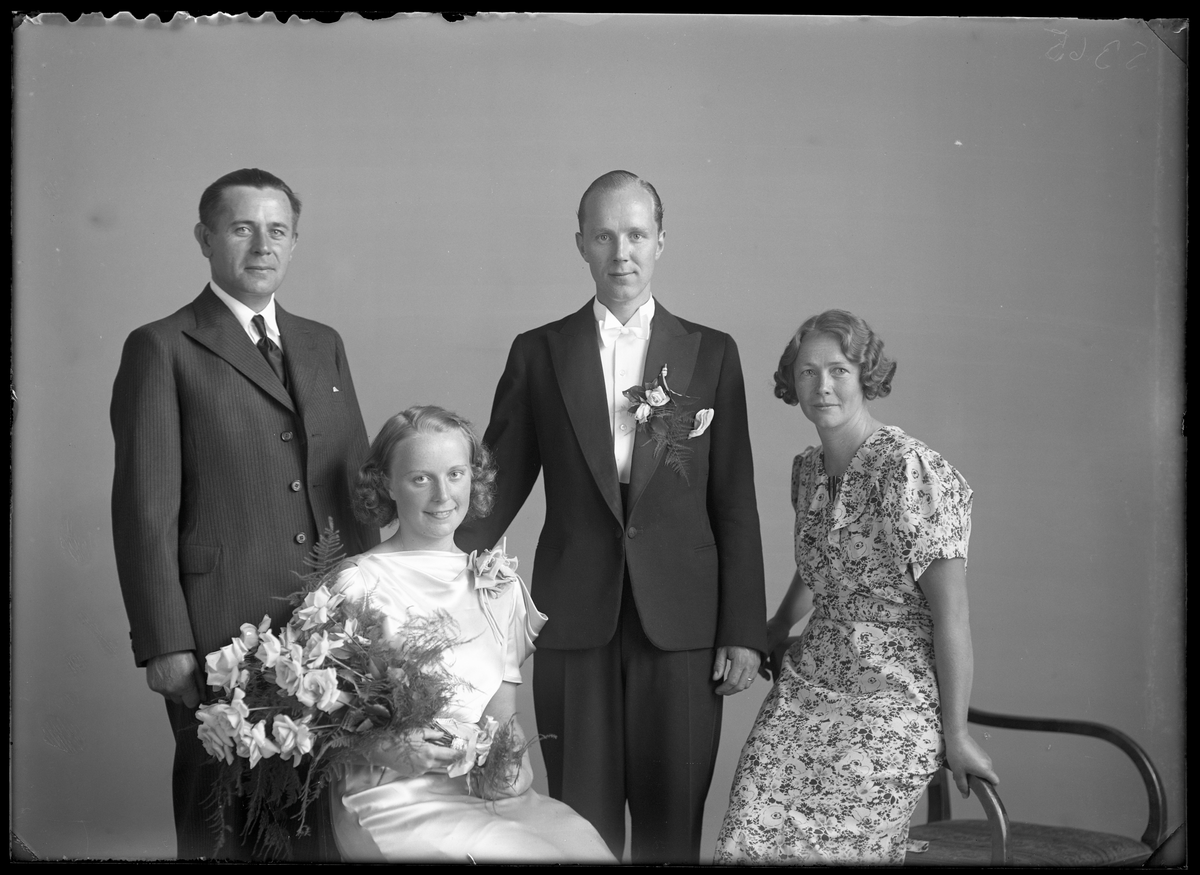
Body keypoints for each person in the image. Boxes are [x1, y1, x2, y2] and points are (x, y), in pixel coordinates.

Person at [455, 170, 767, 863]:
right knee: (579, 826)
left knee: (671, 828)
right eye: (603, 236)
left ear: (661, 242)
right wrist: (422, 566)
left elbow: (734, 499)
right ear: (581, 245)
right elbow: (495, 486)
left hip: (683, 626)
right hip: (574, 619)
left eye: (635, 235)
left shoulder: (712, 352)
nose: (621, 253)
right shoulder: (539, 351)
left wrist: (743, 630)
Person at [110, 168, 378, 859]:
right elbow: (144, 508)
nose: (263, 245)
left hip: (327, 634)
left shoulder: (322, 343)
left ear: (294, 242)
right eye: (242, 228)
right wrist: (164, 640)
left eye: (278, 230)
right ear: (205, 239)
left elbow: (354, 485)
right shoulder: (162, 346)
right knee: (225, 827)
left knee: (322, 826)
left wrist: (376, 610)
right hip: (216, 634)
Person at [714, 309, 998, 864]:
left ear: (866, 376)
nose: (822, 386)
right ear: (791, 382)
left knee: (832, 847)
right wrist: (778, 624)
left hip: (894, 695)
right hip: (812, 679)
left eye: (839, 371)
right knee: (750, 825)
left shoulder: (909, 470)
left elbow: (952, 617)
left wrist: (957, 733)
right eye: (807, 372)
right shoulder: (807, 471)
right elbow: (824, 563)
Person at [328, 406, 614, 863]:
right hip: (392, 795)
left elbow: (502, 721)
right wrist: (390, 748)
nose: (443, 495)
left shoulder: (496, 584)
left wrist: (511, 766)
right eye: (421, 478)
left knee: (585, 847)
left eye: (455, 474)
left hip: (480, 791)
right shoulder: (356, 583)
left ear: (473, 478)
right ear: (386, 484)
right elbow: (325, 727)